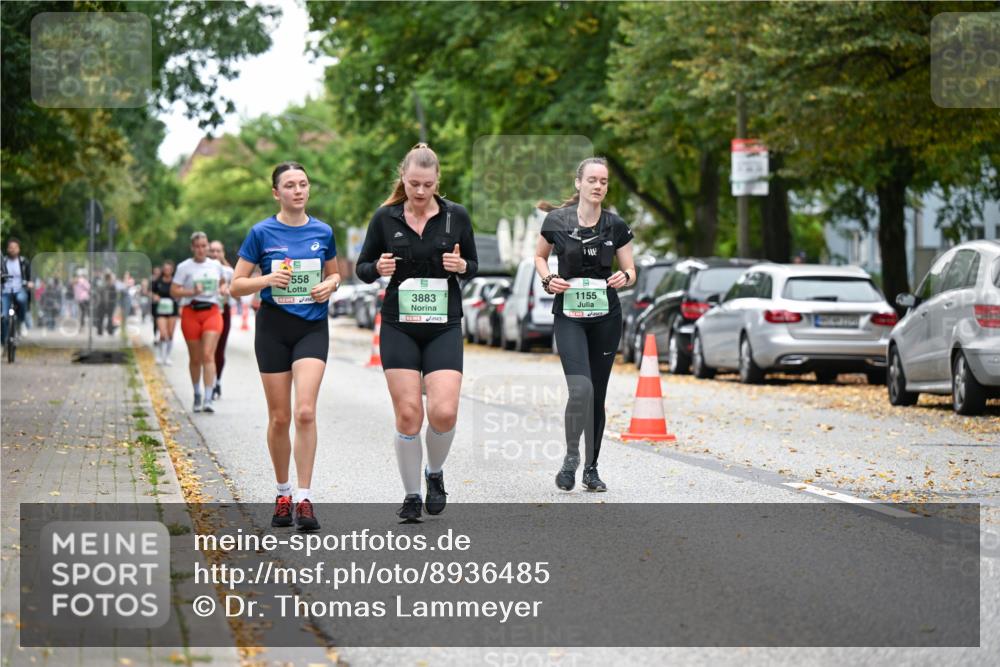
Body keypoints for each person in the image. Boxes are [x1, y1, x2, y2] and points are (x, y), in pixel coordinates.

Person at [356, 143, 478, 522]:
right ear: (403, 180)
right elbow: (361, 267)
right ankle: (411, 495)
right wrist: (377, 267)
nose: (421, 192)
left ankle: (434, 473)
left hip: (443, 325)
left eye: (427, 184)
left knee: (443, 412)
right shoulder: (385, 218)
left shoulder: (455, 216)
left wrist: (461, 265)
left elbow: (473, 264)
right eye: (413, 184)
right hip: (399, 326)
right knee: (409, 415)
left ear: (437, 181)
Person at [231, 162, 340, 532]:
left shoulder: (323, 231)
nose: (298, 190)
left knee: (305, 412)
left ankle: (305, 498)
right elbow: (236, 285)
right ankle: (283, 492)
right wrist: (267, 278)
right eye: (290, 185)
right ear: (276, 193)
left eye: (304, 184)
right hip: (273, 329)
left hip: (312, 328)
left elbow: (335, 272)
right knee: (280, 417)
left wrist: (332, 285)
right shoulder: (261, 233)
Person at [534, 157, 636, 493]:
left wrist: (625, 277)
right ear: (579, 183)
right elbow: (539, 256)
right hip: (570, 317)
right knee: (581, 389)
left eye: (604, 181)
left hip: (606, 317)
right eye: (592, 179)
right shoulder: (557, 221)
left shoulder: (615, 225)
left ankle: (591, 470)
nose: (598, 186)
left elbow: (631, 270)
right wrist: (549, 279)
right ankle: (572, 457)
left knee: (598, 395)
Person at [172, 232, 228, 413]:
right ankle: (197, 394)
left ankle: (209, 397)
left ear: (208, 247)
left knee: (208, 355)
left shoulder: (215, 265)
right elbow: (174, 291)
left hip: (212, 312)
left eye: (204, 246)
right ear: (192, 248)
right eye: (197, 246)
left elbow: (222, 283)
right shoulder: (184, 267)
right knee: (195, 358)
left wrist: (222, 289)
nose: (201, 249)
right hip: (191, 312)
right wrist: (191, 292)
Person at [209, 240, 234, 400]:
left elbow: (238, 295)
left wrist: (228, 291)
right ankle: (208, 384)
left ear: (223, 252)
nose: (215, 254)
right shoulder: (202, 269)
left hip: (223, 311)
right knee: (208, 350)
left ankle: (217, 380)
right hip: (207, 312)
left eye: (218, 251)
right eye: (212, 251)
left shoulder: (228, 271)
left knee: (220, 349)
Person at [1, 238, 32, 345]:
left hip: (19, 290)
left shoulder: (24, 262)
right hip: (5, 291)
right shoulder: (3, 261)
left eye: (15, 248)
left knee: (22, 299)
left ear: (19, 249)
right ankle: (2, 343)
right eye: (10, 248)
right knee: (4, 317)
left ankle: (22, 322)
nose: (12, 250)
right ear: (7, 249)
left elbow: (30, 277)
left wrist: (29, 283)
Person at [152, 260, 179, 365]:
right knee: (163, 333)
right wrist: (154, 296)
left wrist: (178, 296)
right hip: (161, 310)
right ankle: (160, 355)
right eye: (165, 269)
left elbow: (180, 292)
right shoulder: (157, 281)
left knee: (170, 334)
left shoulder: (176, 282)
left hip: (172, 309)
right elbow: (150, 291)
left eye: (169, 269)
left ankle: (167, 356)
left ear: (172, 270)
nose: (167, 271)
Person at [95, 271, 118, 336]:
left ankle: (102, 331)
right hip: (106, 304)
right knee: (106, 318)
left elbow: (114, 295)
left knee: (104, 318)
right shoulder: (107, 285)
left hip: (104, 304)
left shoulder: (102, 284)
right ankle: (107, 331)